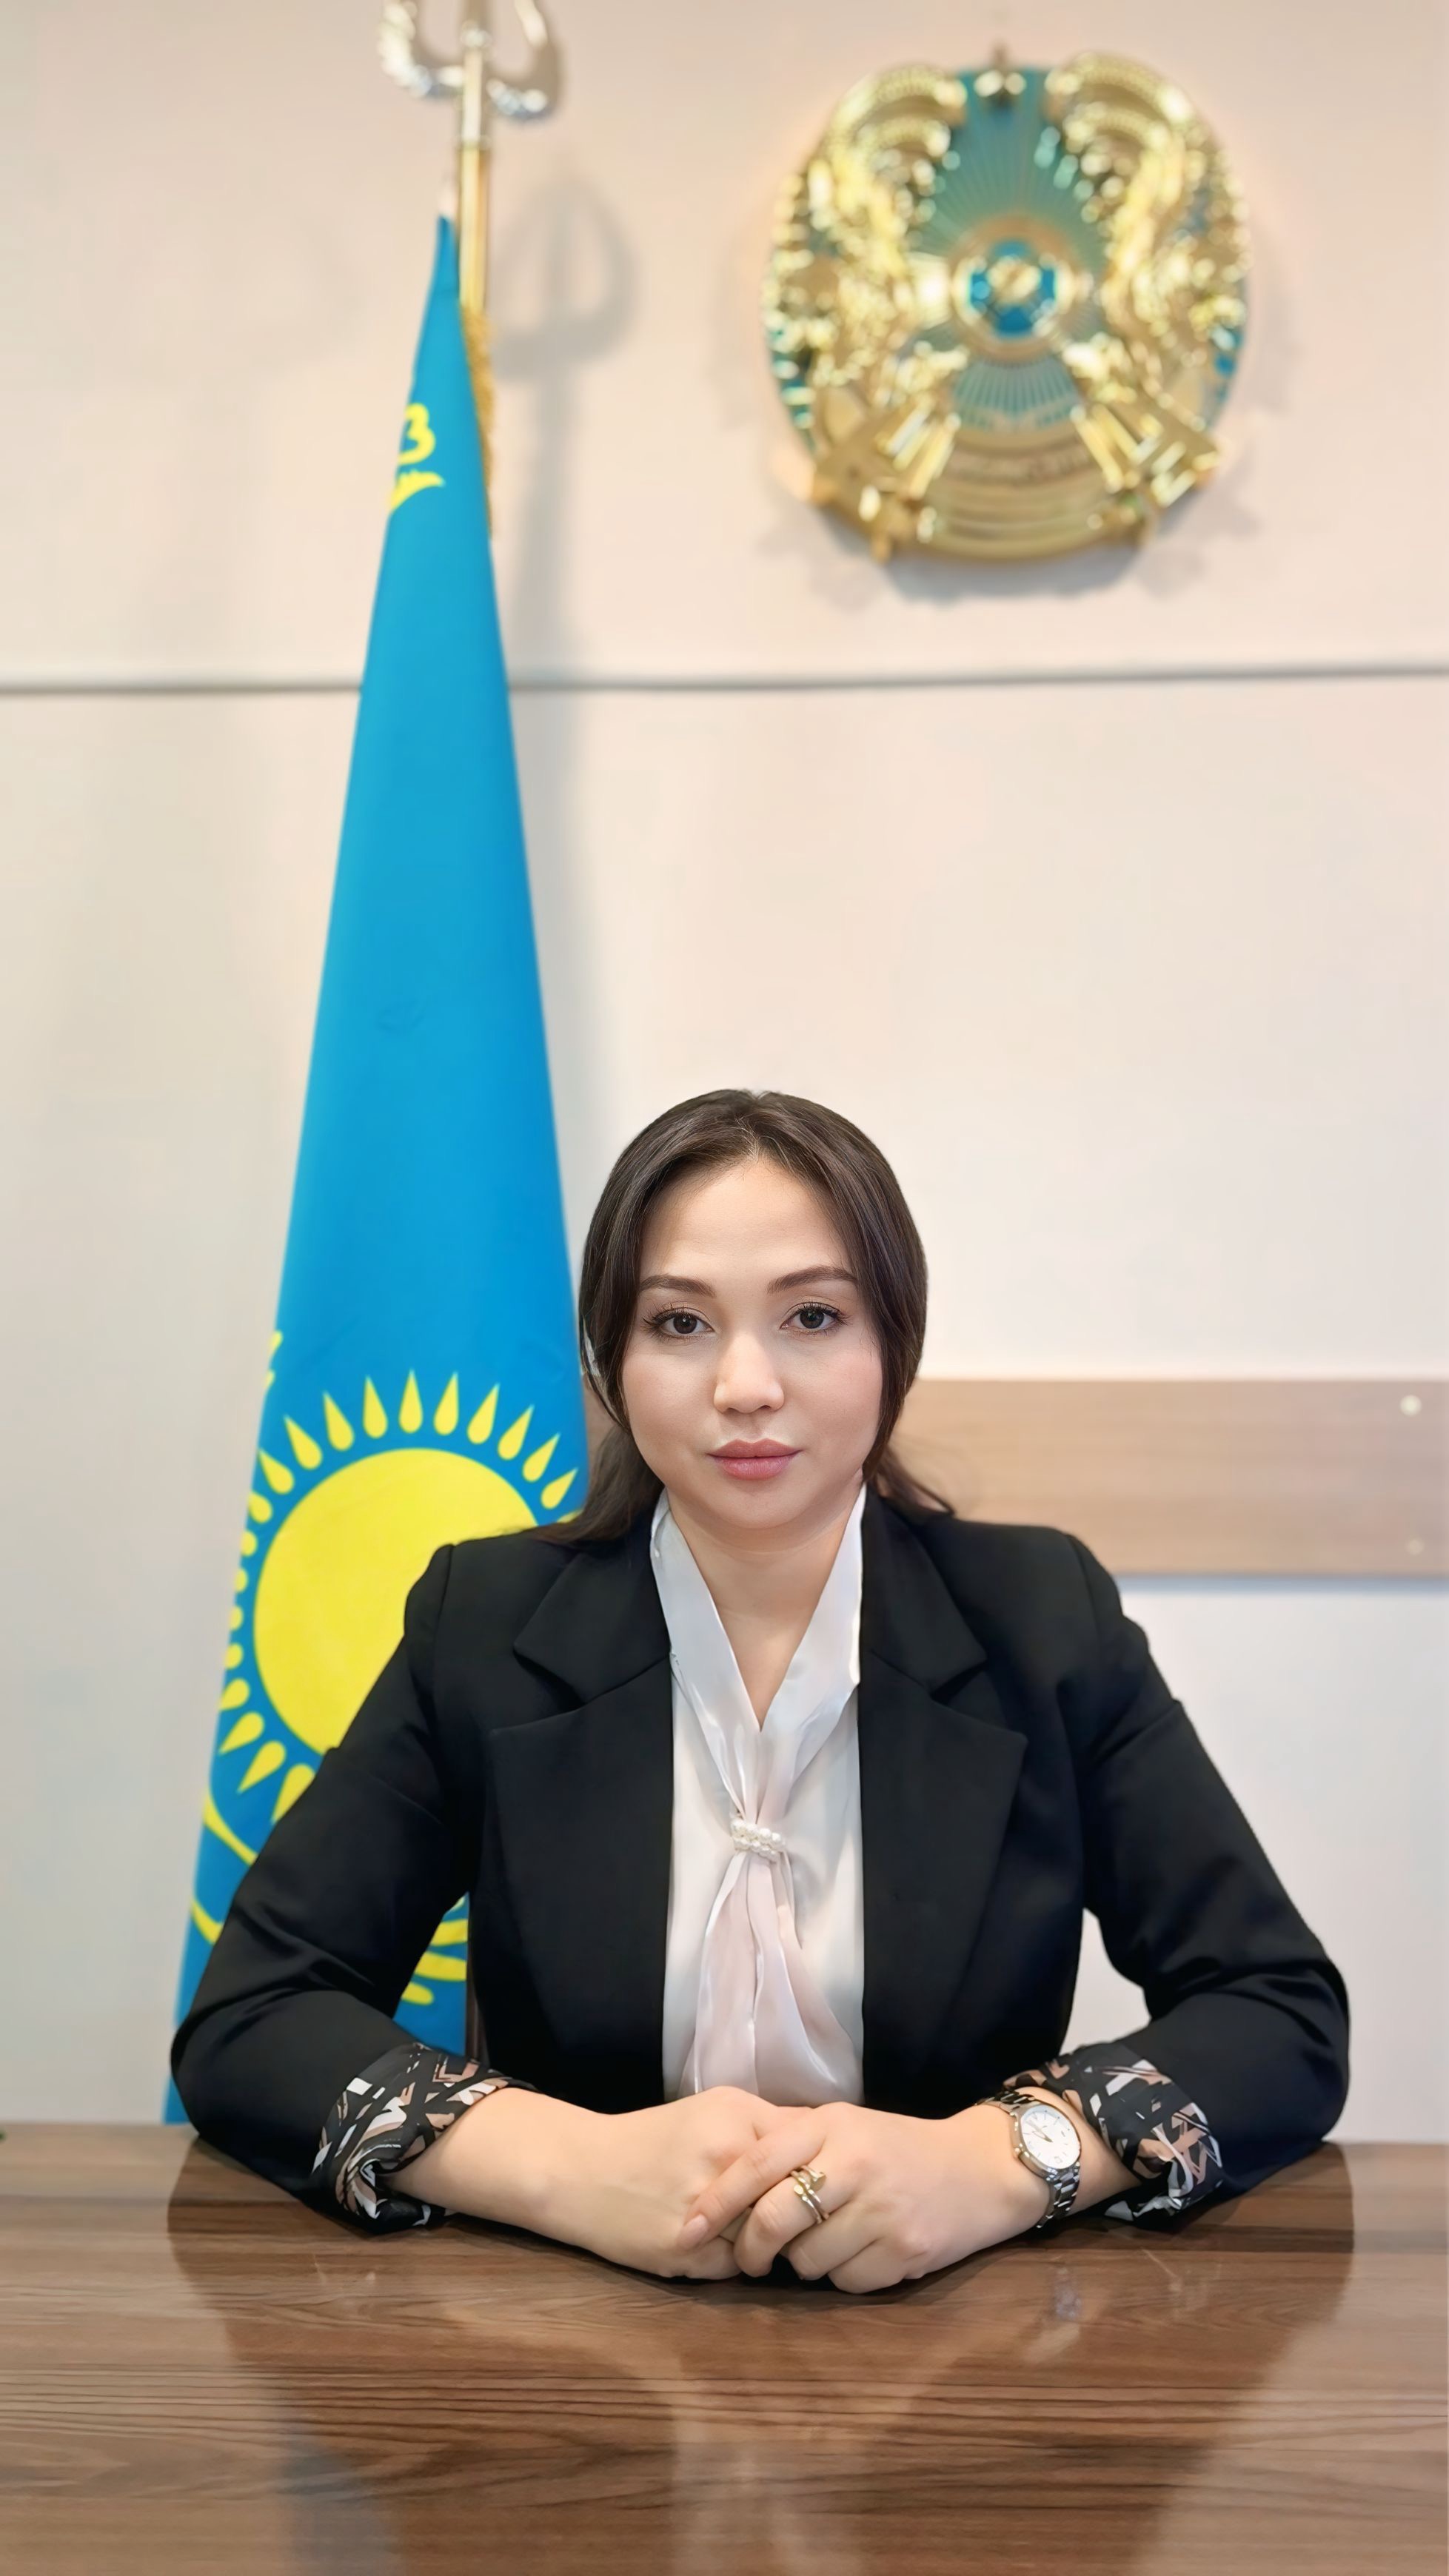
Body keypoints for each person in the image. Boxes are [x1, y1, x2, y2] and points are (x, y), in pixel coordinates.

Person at [172, 1089, 1350, 2292]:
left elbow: (1274, 2011)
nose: (744, 1384)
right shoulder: (482, 1626)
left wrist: (1001, 2162)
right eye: (679, 1323)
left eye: (812, 1316)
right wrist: (568, 2166)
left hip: (951, 2332)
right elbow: (254, 2016)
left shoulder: (1040, 1620)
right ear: (611, 1358)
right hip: (572, 2332)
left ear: (893, 1345)